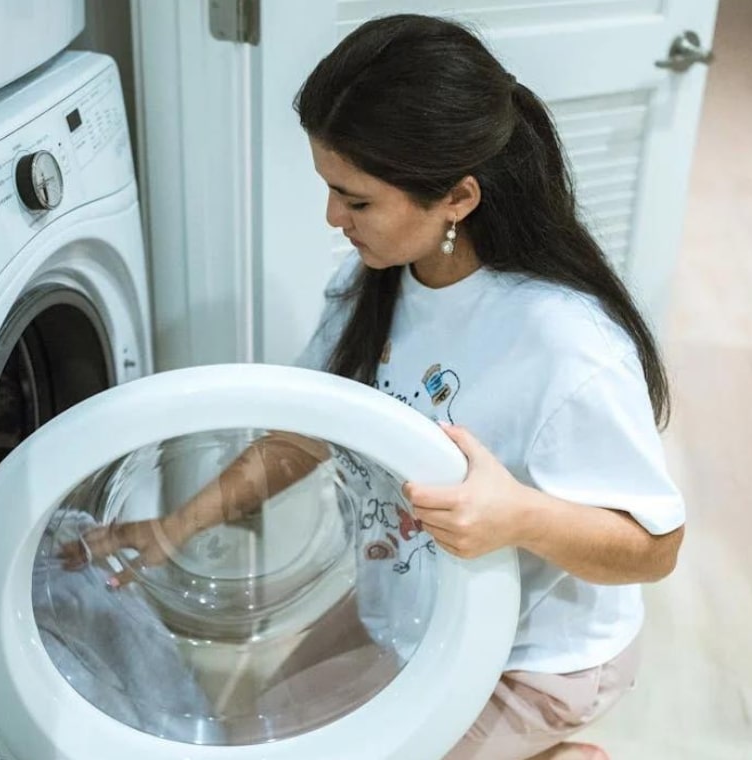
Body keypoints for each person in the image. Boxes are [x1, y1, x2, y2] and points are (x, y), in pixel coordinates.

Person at [63, 14, 684, 760]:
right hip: (409, 604)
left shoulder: (565, 345)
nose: (333, 217)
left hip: (534, 654)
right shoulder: (378, 284)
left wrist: (517, 516)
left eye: (357, 200)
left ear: (457, 197)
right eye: (331, 189)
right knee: (257, 735)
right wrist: (174, 527)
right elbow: (306, 433)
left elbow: (655, 546)